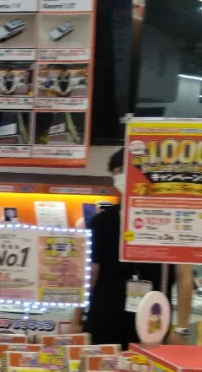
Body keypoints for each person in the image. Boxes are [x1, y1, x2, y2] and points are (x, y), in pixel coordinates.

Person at [72, 148, 193, 347]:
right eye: (116, 171)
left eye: (125, 169)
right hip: (106, 318)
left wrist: (181, 328)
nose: (121, 176)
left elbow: (184, 275)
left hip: (153, 320)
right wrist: (77, 317)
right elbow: (90, 274)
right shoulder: (103, 222)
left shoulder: (171, 219)